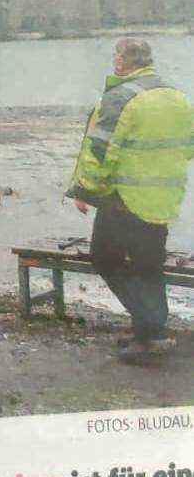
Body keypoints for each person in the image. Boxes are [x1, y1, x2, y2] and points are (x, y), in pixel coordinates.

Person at [69, 38, 194, 363]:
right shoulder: (176, 96)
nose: (115, 63)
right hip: (164, 199)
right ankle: (146, 331)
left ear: (124, 62)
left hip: (124, 200)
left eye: (116, 57)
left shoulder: (120, 98)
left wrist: (84, 190)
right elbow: (189, 146)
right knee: (147, 266)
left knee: (104, 257)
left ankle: (153, 330)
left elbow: (99, 152)